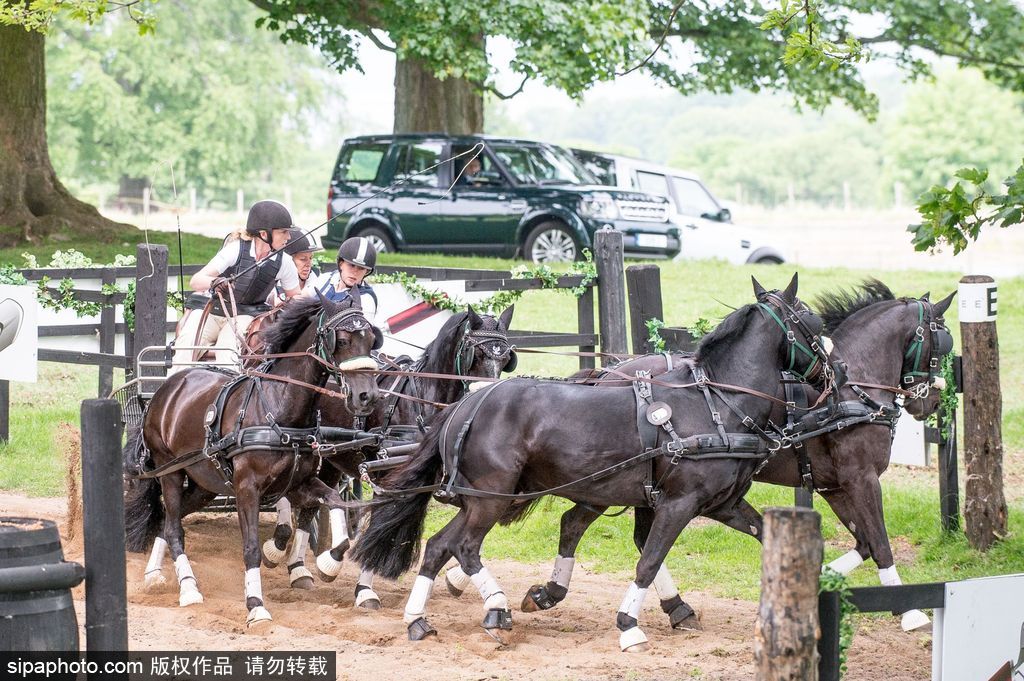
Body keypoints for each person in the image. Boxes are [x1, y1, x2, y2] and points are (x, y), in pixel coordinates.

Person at [172, 199, 301, 370]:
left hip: (244, 317)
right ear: (264, 234)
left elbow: (295, 297)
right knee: (186, 344)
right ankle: (171, 389)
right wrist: (214, 282)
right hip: (213, 311)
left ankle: (224, 392)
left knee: (228, 350)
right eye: (284, 232)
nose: (289, 237)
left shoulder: (284, 262)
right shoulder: (235, 250)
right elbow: (196, 281)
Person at [305, 236, 378, 320]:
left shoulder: (366, 299)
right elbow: (301, 298)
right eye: (351, 265)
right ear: (340, 264)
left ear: (367, 272)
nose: (355, 272)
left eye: (361, 268)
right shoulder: (326, 278)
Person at [268, 227, 322, 306]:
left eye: (310, 258)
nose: (309, 264)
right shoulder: (273, 285)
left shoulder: (318, 279)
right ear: (288, 261)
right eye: (303, 259)